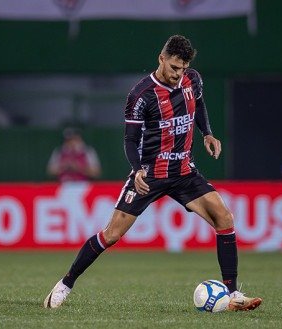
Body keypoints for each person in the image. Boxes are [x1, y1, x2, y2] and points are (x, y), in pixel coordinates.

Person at [43, 35, 262, 311]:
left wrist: (207, 133)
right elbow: (130, 141)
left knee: (224, 216)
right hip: (149, 175)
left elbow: (200, 103)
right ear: (161, 58)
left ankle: (232, 295)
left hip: (183, 171)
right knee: (111, 234)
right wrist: (136, 170)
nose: (177, 74)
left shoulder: (192, 79)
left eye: (182, 69)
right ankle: (66, 284)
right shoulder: (141, 95)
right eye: (173, 67)